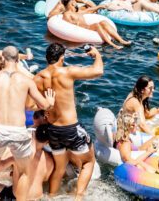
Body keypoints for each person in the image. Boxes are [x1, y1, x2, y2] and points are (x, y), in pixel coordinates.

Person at [0, 46, 55, 201]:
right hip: (18, 131)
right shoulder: (26, 81)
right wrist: (50, 102)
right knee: (24, 170)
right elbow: (44, 105)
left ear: (3, 59)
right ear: (18, 59)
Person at [34, 43, 103, 201]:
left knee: (60, 167)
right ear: (62, 58)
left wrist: (47, 105)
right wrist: (97, 54)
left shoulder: (38, 77)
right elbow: (98, 71)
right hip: (71, 128)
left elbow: (30, 104)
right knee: (88, 162)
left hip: (52, 130)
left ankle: (51, 197)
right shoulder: (67, 72)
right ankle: (78, 198)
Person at [61, 0, 131, 49]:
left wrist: (99, 7)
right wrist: (76, 23)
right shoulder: (67, 14)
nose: (75, 3)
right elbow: (68, 26)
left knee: (103, 22)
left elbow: (89, 10)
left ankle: (121, 41)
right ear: (70, 4)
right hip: (82, 30)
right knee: (96, 25)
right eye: (73, 2)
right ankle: (113, 45)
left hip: (87, 27)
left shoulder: (77, 12)